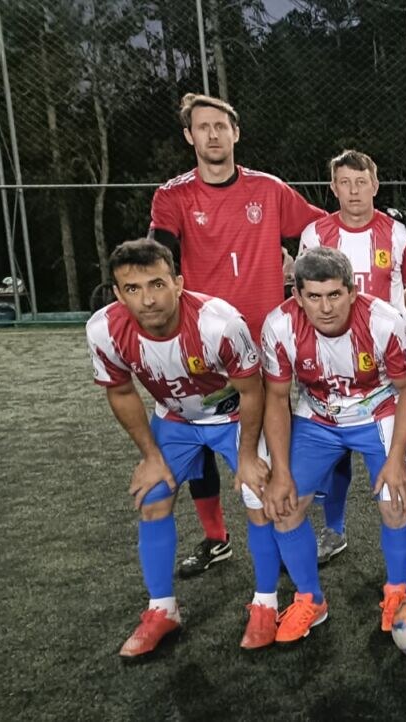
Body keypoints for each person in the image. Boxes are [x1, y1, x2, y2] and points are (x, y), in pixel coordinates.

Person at [149, 93, 324, 579]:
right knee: (198, 433)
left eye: (220, 126)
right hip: (200, 341)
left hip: (264, 337)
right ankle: (215, 537)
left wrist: (300, 261)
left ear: (236, 133)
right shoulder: (173, 196)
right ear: (189, 136)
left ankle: (281, 538)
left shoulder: (268, 189)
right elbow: (159, 257)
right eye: (203, 127)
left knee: (268, 440)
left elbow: (318, 228)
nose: (213, 134)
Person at [87, 240, 273, 656]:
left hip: (233, 418)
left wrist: (247, 456)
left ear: (178, 283)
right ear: (118, 293)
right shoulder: (104, 329)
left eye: (157, 284)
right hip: (175, 421)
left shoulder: (219, 323)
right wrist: (151, 457)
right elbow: (121, 391)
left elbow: (252, 390)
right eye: (132, 288)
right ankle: (162, 609)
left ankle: (266, 603)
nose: (147, 299)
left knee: (258, 495)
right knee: (152, 497)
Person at [259, 248, 406, 644]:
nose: (325, 307)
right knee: (284, 505)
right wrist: (280, 472)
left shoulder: (384, 321)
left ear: (352, 291)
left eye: (334, 295)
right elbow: (276, 399)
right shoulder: (279, 325)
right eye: (313, 297)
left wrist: (398, 457)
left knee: (395, 501)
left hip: (379, 412)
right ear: (297, 296)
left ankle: (397, 591)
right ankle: (310, 600)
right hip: (317, 418)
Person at [298, 150, 406, 565]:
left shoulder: (398, 235)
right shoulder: (315, 234)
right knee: (334, 452)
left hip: (385, 365)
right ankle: (334, 530)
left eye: (361, 182)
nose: (353, 191)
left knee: (401, 450)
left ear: (375, 185)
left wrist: (397, 331)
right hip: (330, 360)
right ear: (333, 188)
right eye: (345, 183)